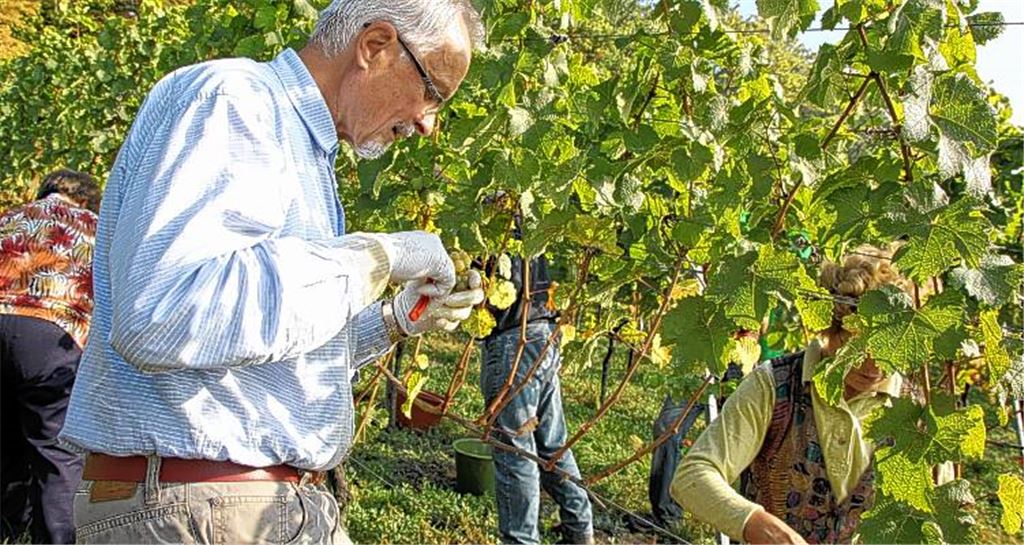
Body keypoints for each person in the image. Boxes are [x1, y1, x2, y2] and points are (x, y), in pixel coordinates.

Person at [59, 2, 486, 543]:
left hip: (248, 505)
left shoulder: (304, 152)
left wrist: (395, 321)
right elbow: (166, 314)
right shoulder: (236, 101)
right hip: (199, 508)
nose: (429, 122)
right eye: (432, 90)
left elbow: (253, 356)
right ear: (375, 46)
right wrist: (376, 256)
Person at [670, 244, 918, 544]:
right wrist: (754, 522)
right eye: (859, 346)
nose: (875, 364)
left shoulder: (914, 409)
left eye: (887, 346)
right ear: (832, 328)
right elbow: (692, 476)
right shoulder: (775, 385)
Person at [0, 169, 101, 544]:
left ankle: (10, 532)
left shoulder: (10, 217)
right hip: (49, 335)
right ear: (90, 201)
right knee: (57, 454)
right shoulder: (95, 227)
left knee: (5, 447)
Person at [479, 237, 595, 545]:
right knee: (552, 444)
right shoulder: (530, 211)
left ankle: (521, 540)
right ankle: (579, 528)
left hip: (513, 341)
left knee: (516, 452)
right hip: (544, 332)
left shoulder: (492, 216)